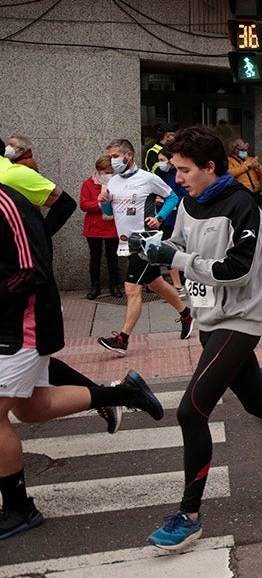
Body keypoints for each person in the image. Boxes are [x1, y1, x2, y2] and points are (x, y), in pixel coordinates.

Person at [141, 126, 262, 550]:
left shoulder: (243, 206)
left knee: (191, 412)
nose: (177, 179)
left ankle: (190, 516)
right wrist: (155, 246)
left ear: (210, 167)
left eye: (184, 170)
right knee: (257, 401)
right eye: (176, 170)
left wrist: (176, 258)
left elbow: (235, 270)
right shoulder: (192, 200)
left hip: (240, 320)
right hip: (210, 319)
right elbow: (178, 240)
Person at [0, 181, 164, 541]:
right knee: (31, 408)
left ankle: (18, 509)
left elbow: (30, 270)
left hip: (19, 326)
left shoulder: (6, 204)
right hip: (14, 327)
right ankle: (122, 394)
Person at [96, 138, 193, 355]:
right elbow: (110, 214)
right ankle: (186, 314)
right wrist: (103, 201)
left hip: (145, 241)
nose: (113, 162)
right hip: (126, 243)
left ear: (128, 156)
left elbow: (173, 197)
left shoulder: (147, 179)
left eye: (115, 156)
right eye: (111, 157)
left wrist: (159, 218)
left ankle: (122, 339)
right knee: (155, 284)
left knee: (132, 289)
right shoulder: (112, 182)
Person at [79, 155, 122, 300]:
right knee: (95, 257)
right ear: (99, 170)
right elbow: (84, 205)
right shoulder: (88, 184)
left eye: (111, 172)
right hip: (94, 227)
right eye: (106, 172)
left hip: (112, 226)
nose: (109, 175)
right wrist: (100, 204)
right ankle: (94, 287)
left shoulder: (118, 183)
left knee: (112, 257)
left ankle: (114, 286)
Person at [156, 150, 190, 297]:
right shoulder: (168, 175)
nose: (159, 163)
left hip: (177, 217)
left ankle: (180, 284)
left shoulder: (177, 175)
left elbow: (184, 196)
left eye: (162, 159)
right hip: (169, 219)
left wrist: (166, 202)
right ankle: (179, 283)